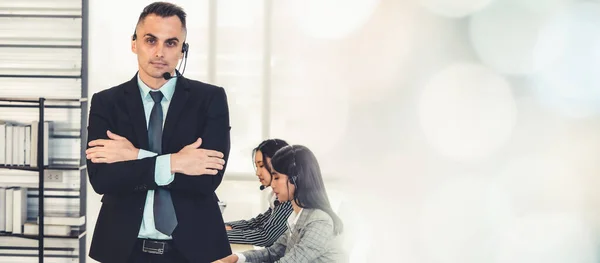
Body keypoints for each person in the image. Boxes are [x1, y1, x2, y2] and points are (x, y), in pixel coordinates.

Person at [85, 2, 231, 262]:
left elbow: (206, 180)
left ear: (183, 51)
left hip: (195, 250)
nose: (159, 52)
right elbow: (103, 179)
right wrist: (176, 162)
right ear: (134, 44)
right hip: (122, 250)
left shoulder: (210, 99)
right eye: (150, 40)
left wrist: (134, 156)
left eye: (171, 43)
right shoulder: (106, 102)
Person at [214, 145, 345, 263]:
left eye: (276, 178)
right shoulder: (298, 216)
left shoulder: (319, 222)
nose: (272, 184)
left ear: (295, 179)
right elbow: (273, 252)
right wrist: (237, 258)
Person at [226, 139, 293, 247]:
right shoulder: (277, 198)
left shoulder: (289, 200)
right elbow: (258, 222)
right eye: (257, 166)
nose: (257, 173)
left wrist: (221, 234)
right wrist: (225, 227)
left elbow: (265, 236)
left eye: (261, 166)